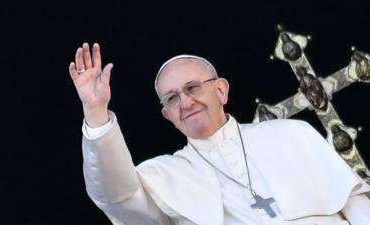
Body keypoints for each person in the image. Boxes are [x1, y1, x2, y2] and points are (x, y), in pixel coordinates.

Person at [68, 43, 370, 225]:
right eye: (172, 99)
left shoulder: (291, 134)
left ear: (221, 90)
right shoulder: (165, 175)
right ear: (167, 115)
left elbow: (356, 205)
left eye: (192, 88)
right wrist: (96, 111)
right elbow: (116, 195)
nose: (185, 102)